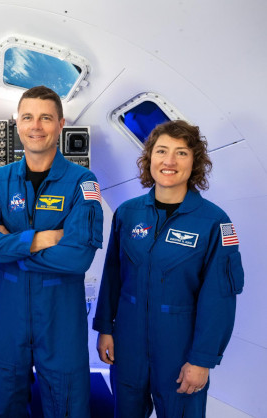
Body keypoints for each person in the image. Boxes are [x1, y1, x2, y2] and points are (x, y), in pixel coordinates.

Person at [93, 120, 244, 417]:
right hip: (128, 344)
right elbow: (112, 276)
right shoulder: (127, 213)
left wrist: (201, 360)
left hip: (180, 349)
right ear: (150, 158)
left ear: (195, 162)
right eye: (161, 151)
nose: (169, 161)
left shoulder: (214, 222)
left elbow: (219, 299)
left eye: (181, 153)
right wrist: (105, 329)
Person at [0, 85, 104, 417]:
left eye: (45, 118)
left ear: (61, 124)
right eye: (28, 117)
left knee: (68, 406)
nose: (36, 126)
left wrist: (12, 246)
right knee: (7, 404)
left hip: (61, 315)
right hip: (8, 313)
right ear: (17, 123)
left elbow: (78, 257)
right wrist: (39, 240)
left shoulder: (82, 182)